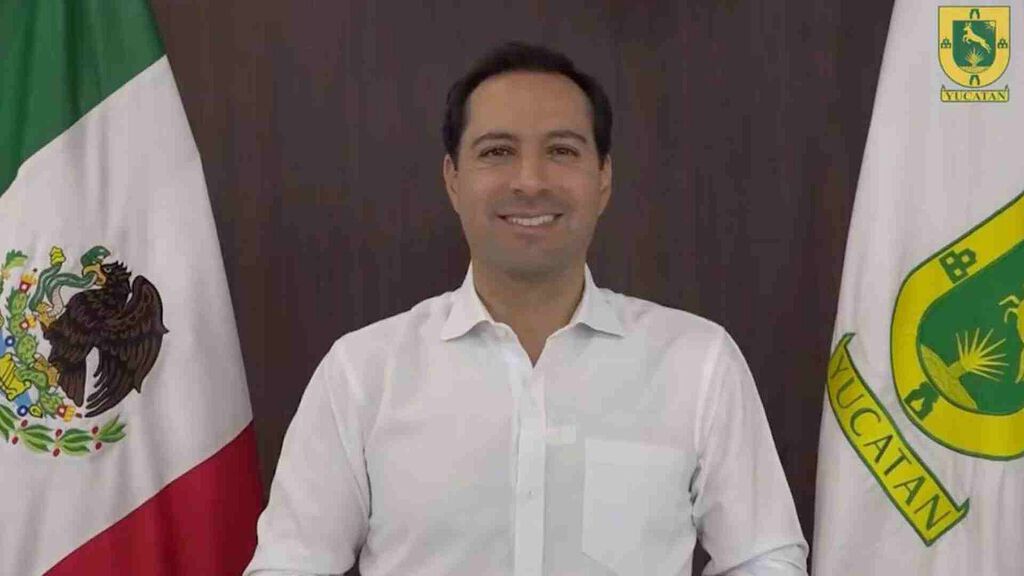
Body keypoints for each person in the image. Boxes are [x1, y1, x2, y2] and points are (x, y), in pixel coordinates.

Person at [245, 41, 808, 576]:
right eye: (498, 152)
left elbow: (763, 559)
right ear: (453, 179)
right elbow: (291, 564)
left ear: (603, 177)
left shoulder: (697, 362)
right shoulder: (363, 372)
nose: (531, 181)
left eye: (562, 151)